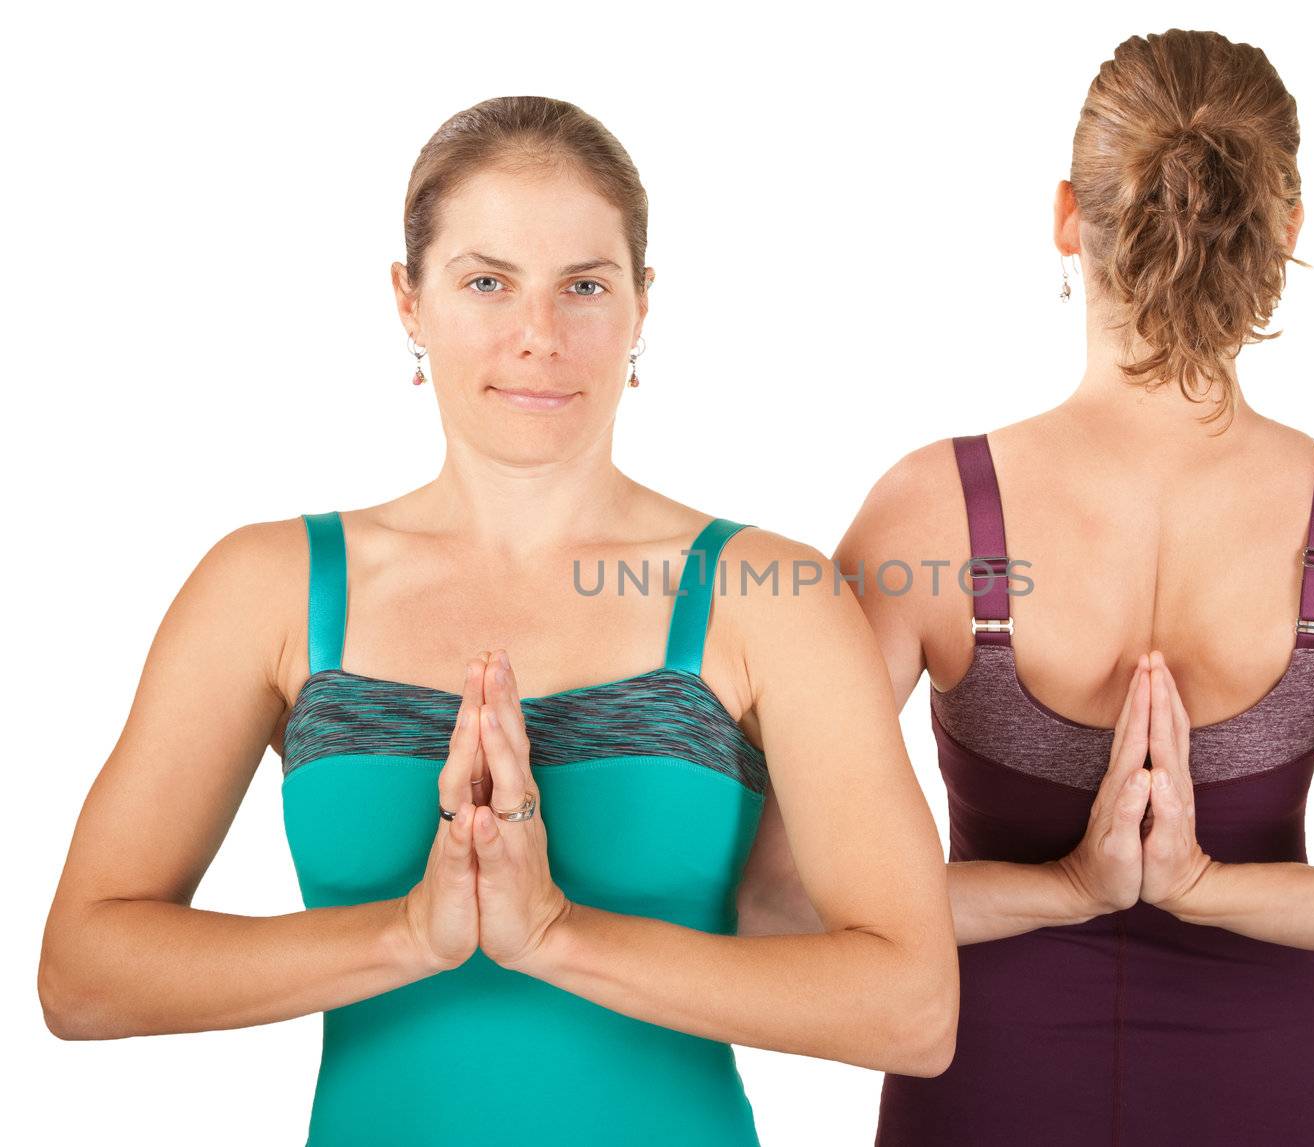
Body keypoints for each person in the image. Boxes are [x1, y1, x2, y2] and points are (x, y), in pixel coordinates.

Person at [37, 95, 959, 1146]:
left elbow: (912, 1007)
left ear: (642, 306)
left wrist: (557, 936)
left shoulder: (765, 594)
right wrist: (408, 935)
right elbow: (83, 975)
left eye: (584, 286)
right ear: (408, 301)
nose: (539, 336)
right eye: (487, 282)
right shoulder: (272, 587)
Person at [735, 29, 1314, 1147]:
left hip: (986, 1083)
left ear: (1066, 219)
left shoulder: (933, 512)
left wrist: (1073, 887)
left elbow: (776, 896)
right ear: (1283, 230)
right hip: (1274, 1088)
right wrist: (1201, 884)